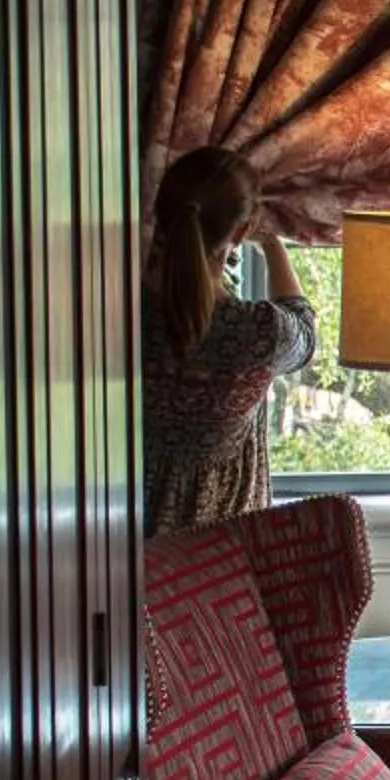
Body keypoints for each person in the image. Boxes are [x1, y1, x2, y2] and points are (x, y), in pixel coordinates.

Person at [144, 144, 315, 537]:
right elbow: (304, 333)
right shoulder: (255, 333)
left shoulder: (115, 320)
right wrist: (272, 244)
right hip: (219, 548)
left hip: (121, 539)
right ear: (241, 231)